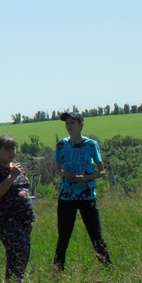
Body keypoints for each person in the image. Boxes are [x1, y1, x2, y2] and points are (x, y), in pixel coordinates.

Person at [52, 111, 112, 271]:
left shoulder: (91, 145)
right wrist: (66, 174)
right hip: (66, 196)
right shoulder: (61, 145)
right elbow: (57, 168)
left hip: (87, 196)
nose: (69, 126)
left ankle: (108, 269)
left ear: (81, 125)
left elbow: (102, 171)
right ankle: (57, 272)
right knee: (63, 236)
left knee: (96, 235)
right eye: (67, 124)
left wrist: (85, 178)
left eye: (72, 123)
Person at [0, 135, 37, 283]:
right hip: (6, 221)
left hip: (23, 219)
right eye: (7, 148)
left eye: (13, 148)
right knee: (18, 250)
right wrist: (11, 176)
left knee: (22, 251)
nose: (11, 151)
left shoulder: (16, 167)